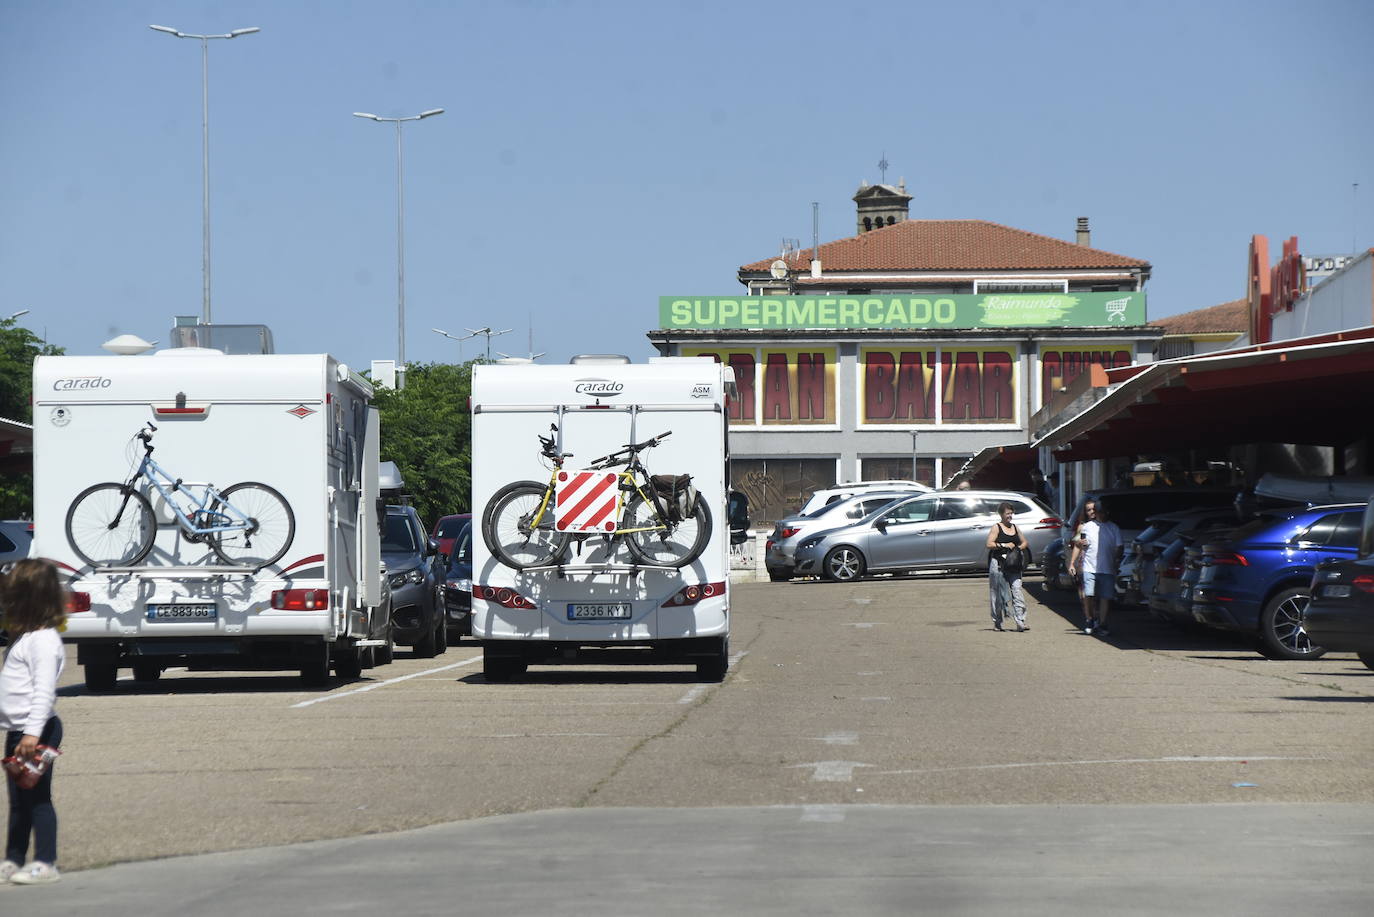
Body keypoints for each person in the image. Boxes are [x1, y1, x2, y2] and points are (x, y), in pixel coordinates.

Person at [1, 559, 67, 886]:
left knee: (38, 797)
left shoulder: (43, 641)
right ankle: (13, 860)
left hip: (36, 731)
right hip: (19, 732)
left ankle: (45, 862)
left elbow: (44, 692)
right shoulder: (25, 636)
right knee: (17, 800)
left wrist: (31, 734)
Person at [1068, 501, 1123, 636]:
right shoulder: (1086, 527)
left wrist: (1116, 558)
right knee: (1089, 594)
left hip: (1107, 568)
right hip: (1089, 567)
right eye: (1100, 512)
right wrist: (1072, 563)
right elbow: (1078, 544)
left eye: (1105, 512)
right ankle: (1090, 619)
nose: (1103, 515)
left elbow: (1119, 547)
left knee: (1105, 597)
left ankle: (1102, 623)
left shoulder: (1113, 528)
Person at [985, 501, 1030, 632]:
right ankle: (997, 622)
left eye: (1011, 513)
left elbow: (1024, 542)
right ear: (1001, 514)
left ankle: (1020, 621)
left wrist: (1017, 548)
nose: (1010, 516)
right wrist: (1004, 546)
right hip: (999, 565)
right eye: (1007, 513)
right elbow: (989, 544)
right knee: (998, 594)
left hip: (1014, 565)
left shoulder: (1015, 527)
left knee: (1017, 591)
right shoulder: (996, 527)